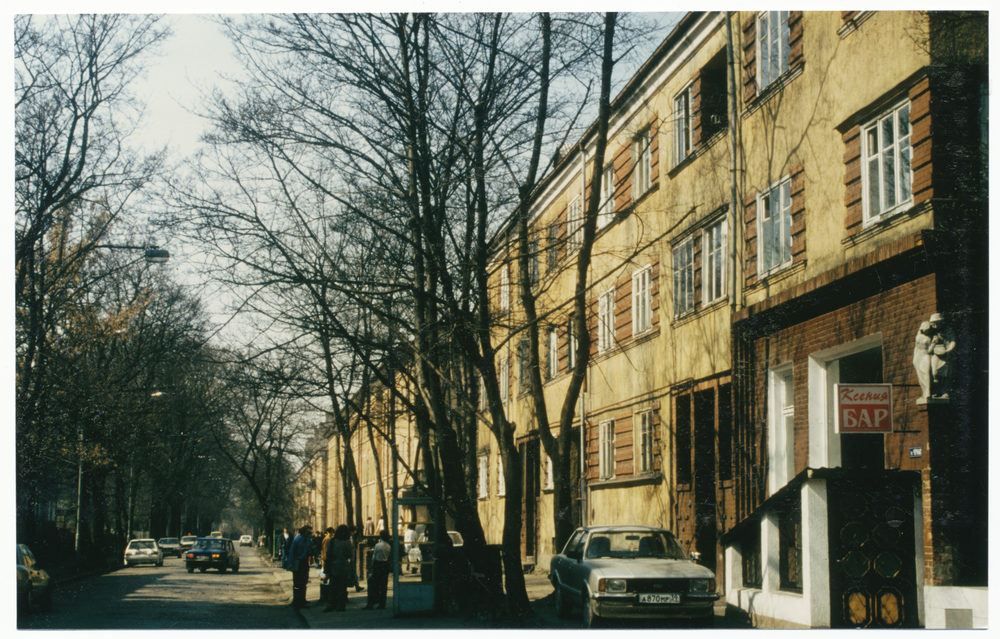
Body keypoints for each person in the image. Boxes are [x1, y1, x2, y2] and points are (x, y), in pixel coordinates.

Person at [324, 525, 352, 612]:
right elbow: (349, 555)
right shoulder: (347, 542)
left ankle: (331, 604)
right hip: (343, 567)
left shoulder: (331, 541)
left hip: (333, 566)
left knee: (332, 587)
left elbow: (328, 553)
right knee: (342, 587)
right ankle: (341, 605)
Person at [363, 529, 392, 610]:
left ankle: (371, 603)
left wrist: (372, 567)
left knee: (374, 585)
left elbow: (374, 557)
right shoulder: (388, 546)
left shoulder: (377, 545)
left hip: (377, 565)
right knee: (383, 585)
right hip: (385, 565)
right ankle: (382, 603)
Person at [289, 525, 314, 609]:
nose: (310, 534)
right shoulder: (297, 540)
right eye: (308, 532)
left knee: (304, 582)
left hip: (304, 562)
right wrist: (291, 565)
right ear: (303, 532)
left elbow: (311, 549)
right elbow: (292, 552)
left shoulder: (309, 540)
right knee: (297, 582)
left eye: (311, 532)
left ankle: (302, 600)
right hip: (297, 561)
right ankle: (296, 601)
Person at [348, 526, 365, 592]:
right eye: (353, 531)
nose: (354, 532)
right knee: (353, 572)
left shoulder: (351, 538)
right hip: (350, 558)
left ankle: (356, 585)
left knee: (353, 572)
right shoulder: (349, 538)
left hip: (351, 558)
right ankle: (356, 585)